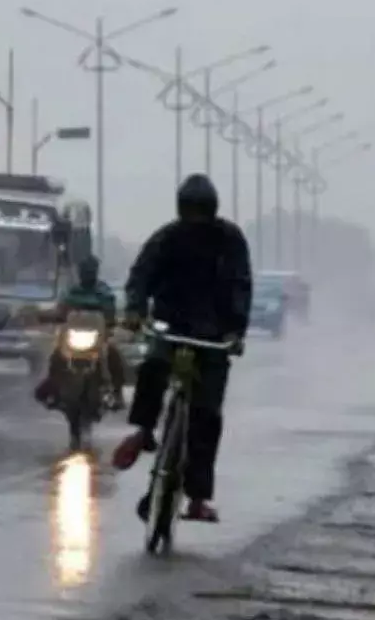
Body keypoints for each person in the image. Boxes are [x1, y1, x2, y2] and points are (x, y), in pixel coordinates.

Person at [111, 173, 252, 524]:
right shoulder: (167, 238)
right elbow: (141, 276)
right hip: (171, 327)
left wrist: (235, 331)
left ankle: (198, 497)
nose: (195, 220)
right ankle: (144, 431)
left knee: (207, 418)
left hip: (213, 338)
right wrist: (134, 309)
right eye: (190, 212)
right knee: (153, 368)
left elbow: (240, 286)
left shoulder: (230, 240)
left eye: (200, 212)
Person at [33, 255, 127, 410]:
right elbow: (60, 311)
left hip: (98, 338)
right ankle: (52, 390)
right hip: (71, 337)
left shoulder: (104, 293)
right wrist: (45, 316)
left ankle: (117, 393)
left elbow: (112, 315)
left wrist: (115, 322)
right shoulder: (71, 292)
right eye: (84, 271)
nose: (87, 274)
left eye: (90, 271)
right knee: (56, 356)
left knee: (114, 355)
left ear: (96, 272)